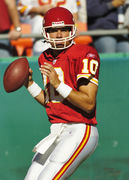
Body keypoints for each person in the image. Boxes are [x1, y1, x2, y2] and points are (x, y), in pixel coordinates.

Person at [24, 7, 100, 180]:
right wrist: (29, 85)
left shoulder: (85, 54)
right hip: (58, 131)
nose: (59, 35)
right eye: (53, 30)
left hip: (80, 129)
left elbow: (88, 104)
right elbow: (53, 103)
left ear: (72, 29)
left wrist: (58, 84)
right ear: (45, 32)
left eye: (63, 29)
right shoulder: (44, 57)